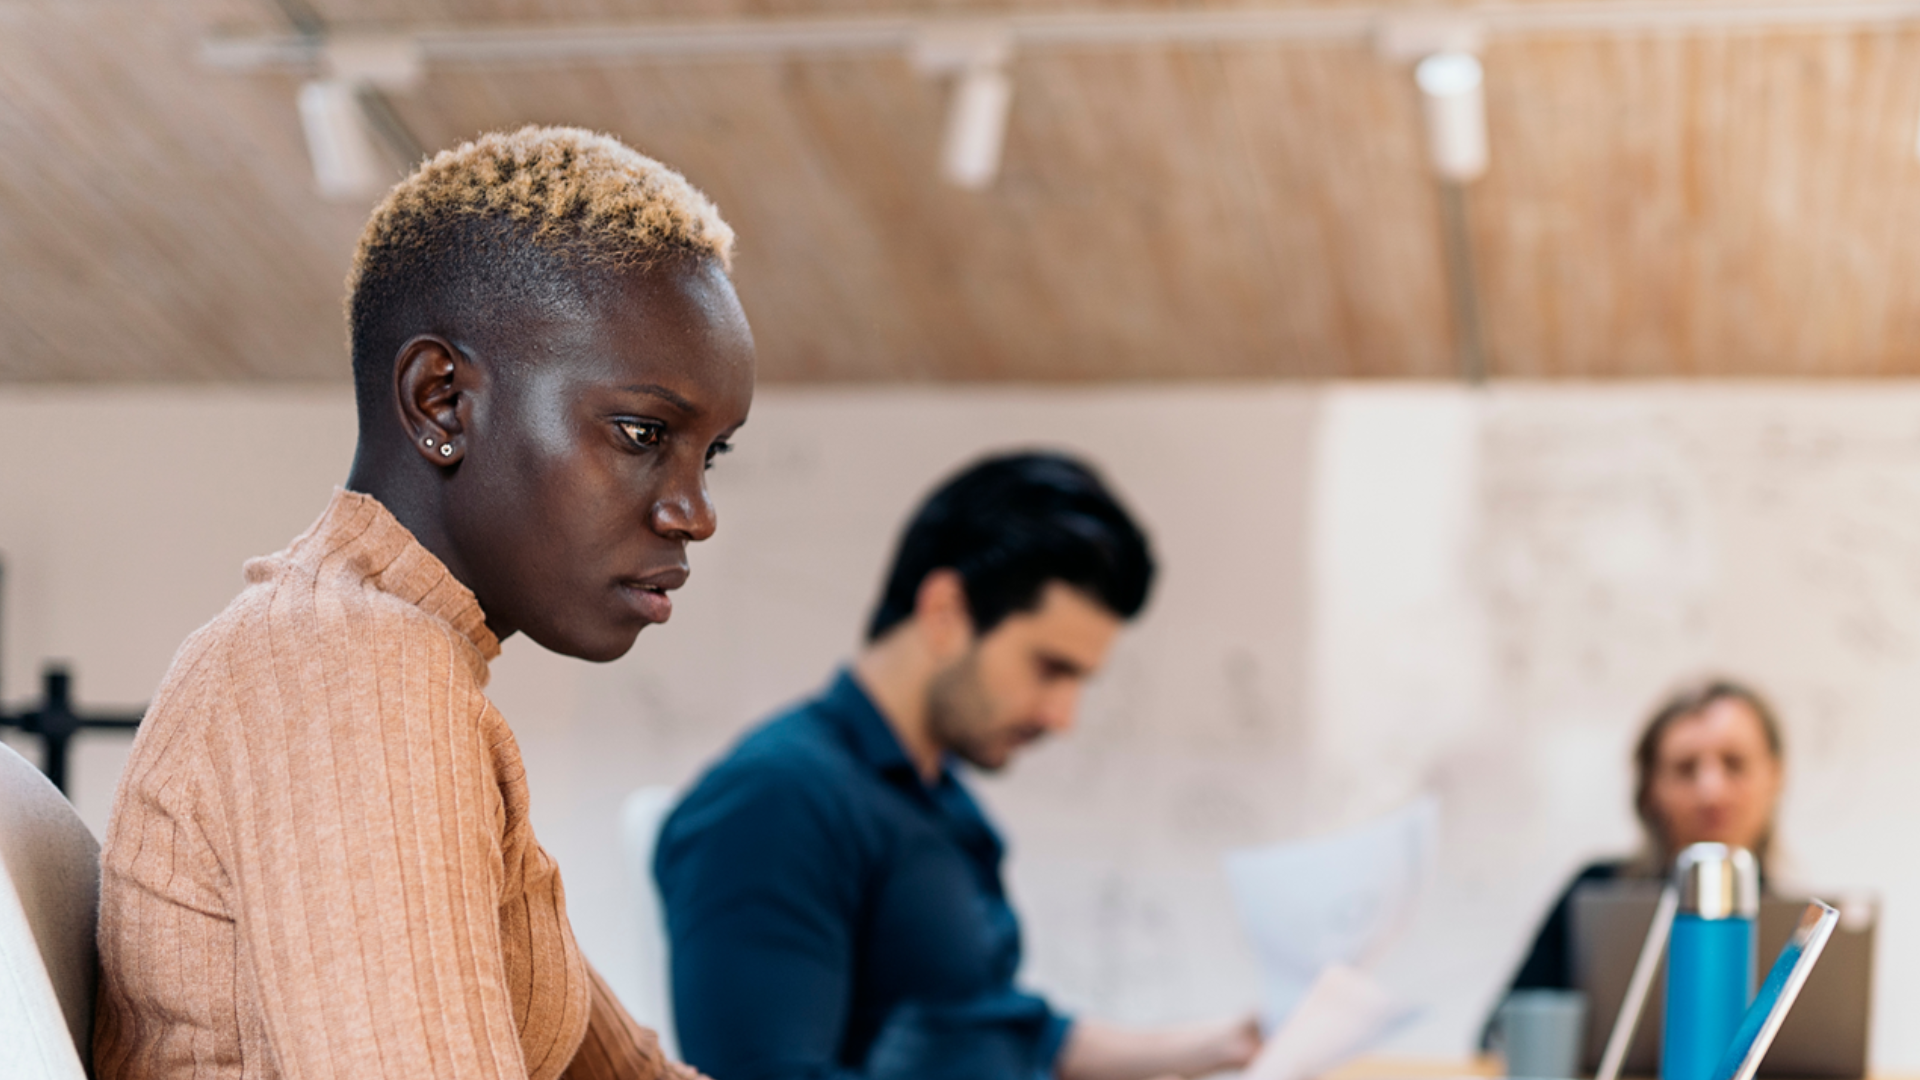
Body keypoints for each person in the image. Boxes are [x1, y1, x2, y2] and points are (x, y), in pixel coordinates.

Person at [92, 126, 754, 1080]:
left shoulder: (397, 661)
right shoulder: (352, 677)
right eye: (644, 432)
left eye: (711, 452)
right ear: (441, 401)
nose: (695, 513)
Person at [654, 452, 1261, 1080]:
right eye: (1051, 669)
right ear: (945, 611)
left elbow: (995, 1028)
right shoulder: (776, 800)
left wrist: (1230, 1046)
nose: (1063, 716)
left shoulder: (938, 800)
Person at [1497, 678, 1787, 998]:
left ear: (1775, 776)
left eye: (1734, 764)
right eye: (1685, 769)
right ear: (1650, 789)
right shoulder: (1595, 895)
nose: (1711, 792)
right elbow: (1502, 1034)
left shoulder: (1798, 933)